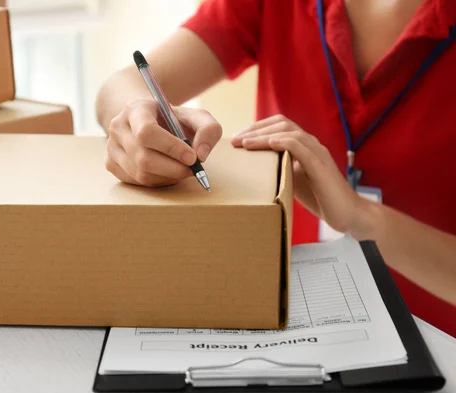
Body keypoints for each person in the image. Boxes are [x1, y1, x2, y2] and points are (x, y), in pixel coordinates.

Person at [95, 0, 456, 336]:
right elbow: (118, 87)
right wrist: (139, 121)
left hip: (438, 348)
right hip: (288, 320)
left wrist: (362, 217)